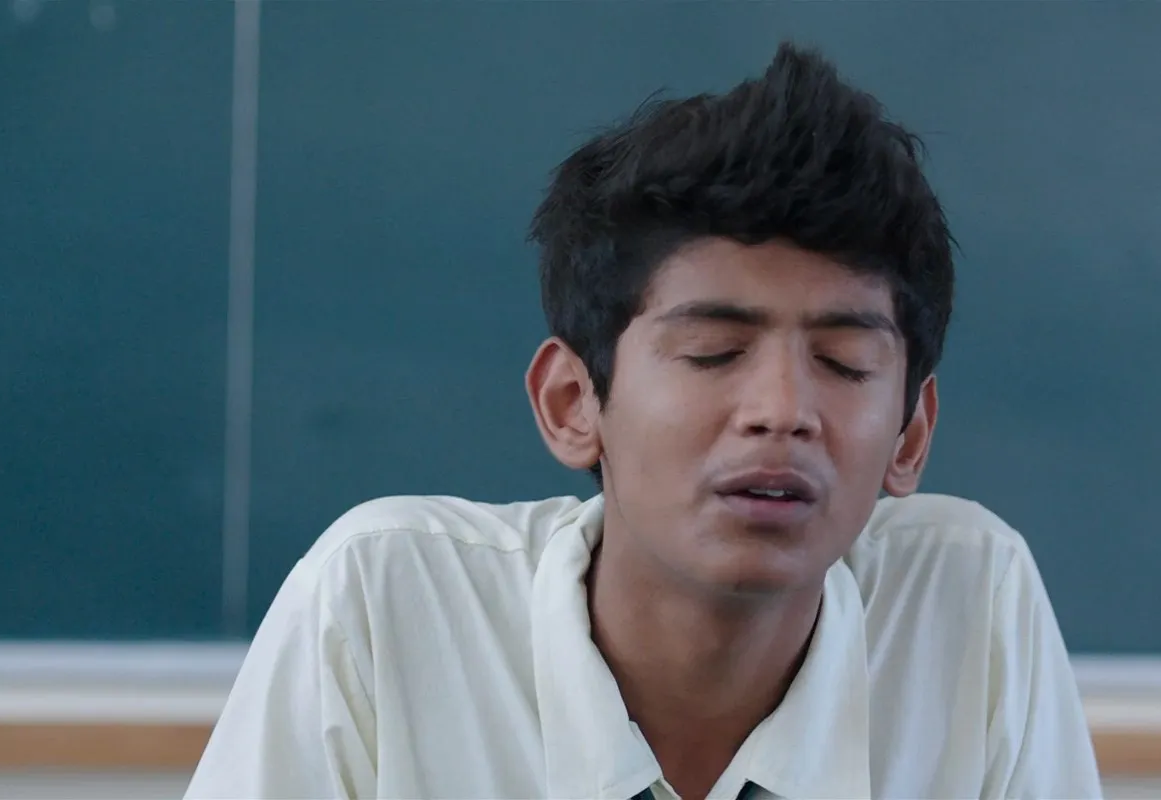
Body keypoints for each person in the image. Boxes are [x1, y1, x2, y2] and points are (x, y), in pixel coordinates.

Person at [185, 41, 1102, 800]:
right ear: (572, 403)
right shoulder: (386, 605)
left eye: (845, 363)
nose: (783, 413)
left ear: (910, 435)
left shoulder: (967, 605)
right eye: (712, 352)